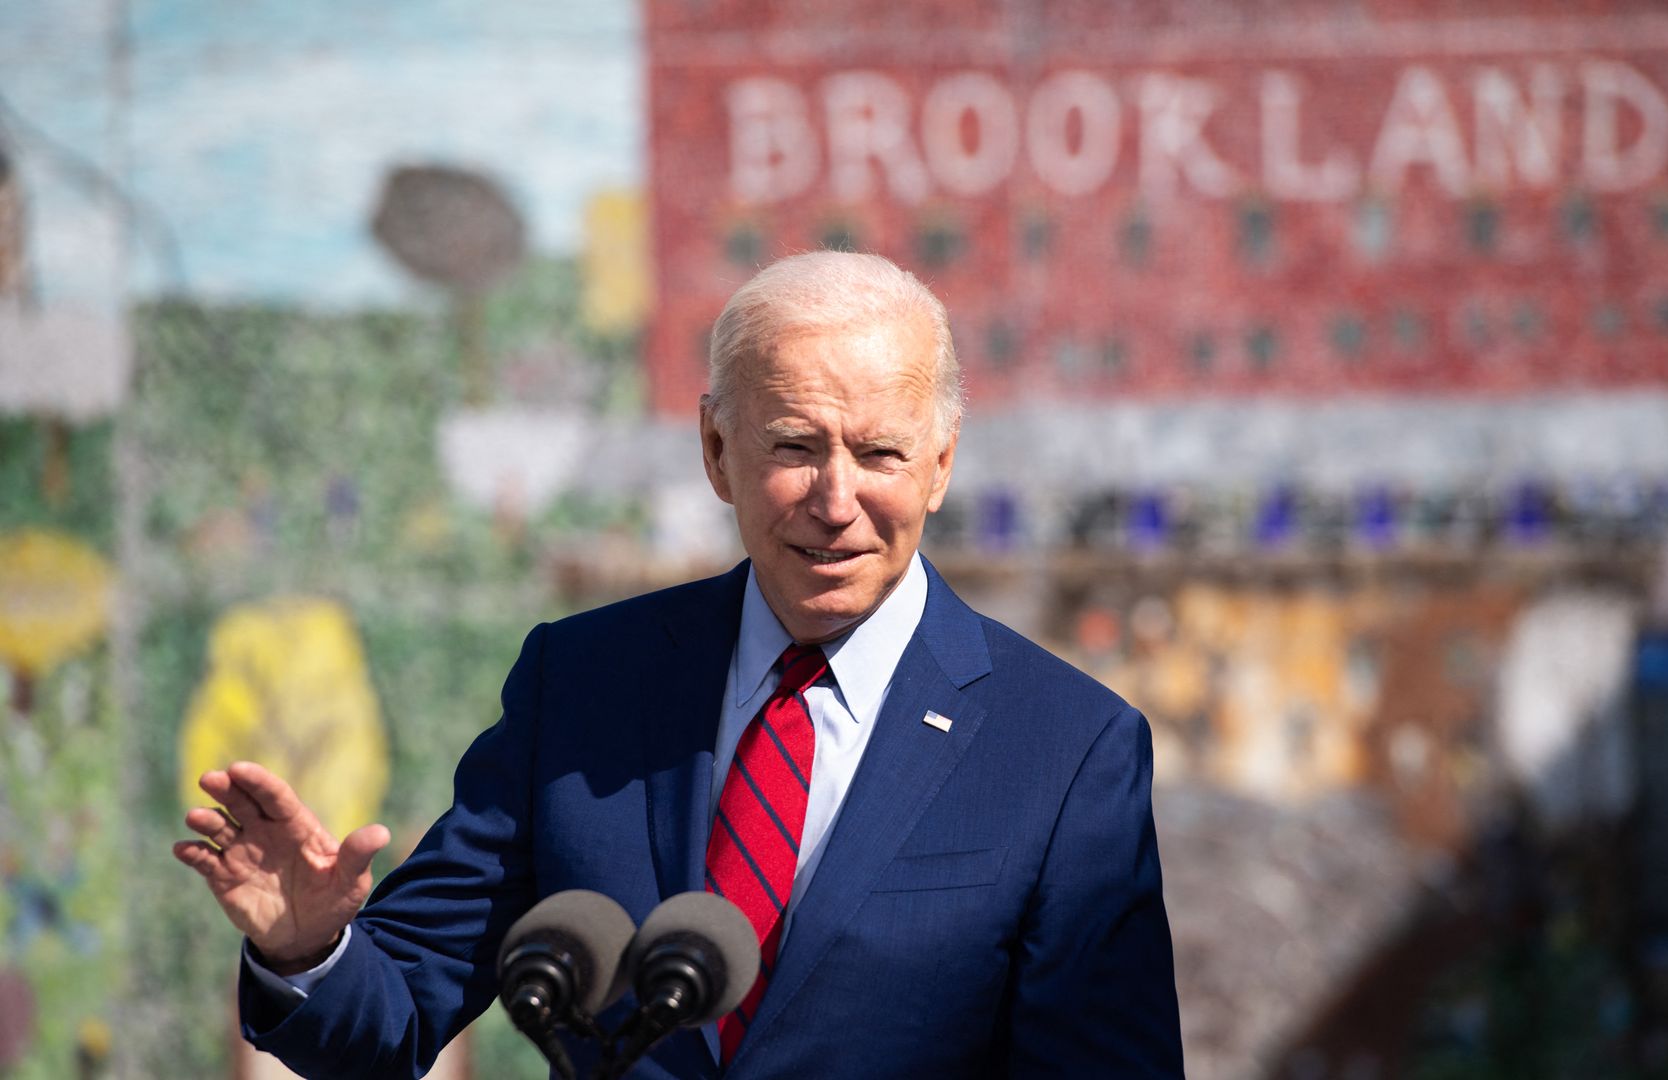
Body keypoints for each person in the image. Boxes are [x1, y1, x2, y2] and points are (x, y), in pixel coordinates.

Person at [175, 250, 1182, 1078]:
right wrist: (305, 948)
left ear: (943, 461)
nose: (837, 500)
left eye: (879, 454)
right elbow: (392, 1019)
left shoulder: (1065, 750)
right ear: (714, 450)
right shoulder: (583, 686)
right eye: (795, 446)